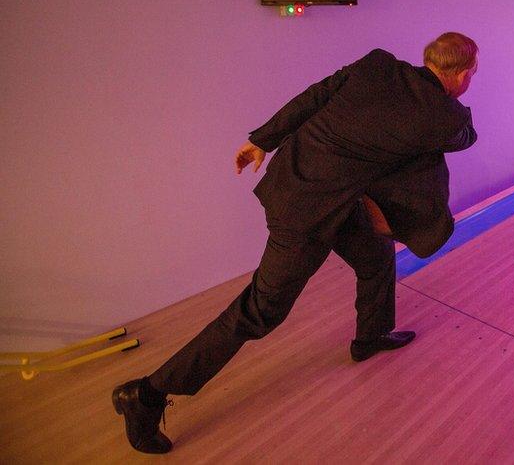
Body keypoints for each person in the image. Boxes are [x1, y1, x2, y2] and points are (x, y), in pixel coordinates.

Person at [111, 32, 479, 454]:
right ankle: (146, 395)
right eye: (473, 73)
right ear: (463, 74)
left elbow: (316, 95)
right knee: (260, 312)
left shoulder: (377, 65)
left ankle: (370, 337)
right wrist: (453, 111)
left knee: (375, 255)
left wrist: (261, 140)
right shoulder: (442, 116)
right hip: (304, 213)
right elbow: (465, 138)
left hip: (313, 188)